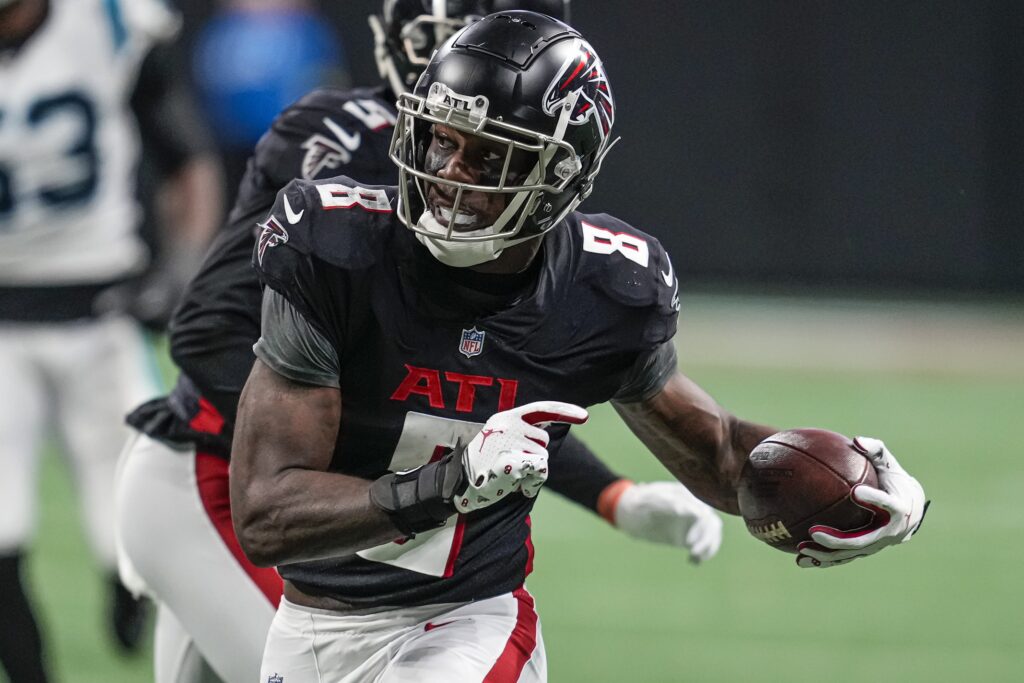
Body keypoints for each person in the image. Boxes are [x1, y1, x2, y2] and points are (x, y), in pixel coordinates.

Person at [232, 10, 929, 682]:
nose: (451, 173)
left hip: (462, 623)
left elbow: (715, 450)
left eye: (489, 154)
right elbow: (265, 513)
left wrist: (857, 489)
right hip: (308, 626)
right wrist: (449, 482)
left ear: (559, 176)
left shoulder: (605, 289)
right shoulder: (334, 248)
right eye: (442, 139)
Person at [114, 2, 721, 682]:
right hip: (215, 472)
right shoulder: (345, 146)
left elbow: (486, 393)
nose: (457, 172)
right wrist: (372, 441)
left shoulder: (515, 204)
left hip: (328, 517)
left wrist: (608, 493)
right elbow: (210, 334)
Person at [0, 0, 222, 680]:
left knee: (134, 521)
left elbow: (188, 160)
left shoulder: (111, 22)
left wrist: (181, 270)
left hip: (101, 310)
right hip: (2, 324)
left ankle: (121, 591)